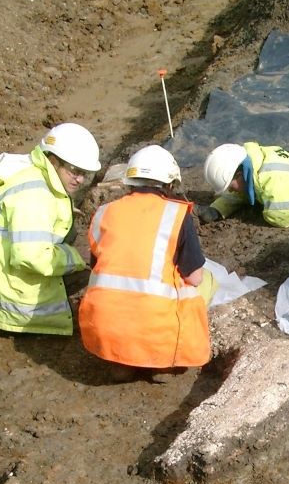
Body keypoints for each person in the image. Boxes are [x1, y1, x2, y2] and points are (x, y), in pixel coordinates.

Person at [0, 122, 101, 335]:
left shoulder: (31, 172)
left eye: (85, 173)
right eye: (74, 170)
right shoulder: (34, 198)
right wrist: (75, 258)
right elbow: (31, 257)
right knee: (93, 286)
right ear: (53, 160)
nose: (80, 179)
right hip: (7, 301)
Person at [77, 145, 215, 382]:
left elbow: (99, 267)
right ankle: (162, 364)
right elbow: (194, 277)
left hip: (106, 328)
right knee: (205, 283)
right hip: (155, 332)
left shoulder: (103, 212)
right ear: (169, 184)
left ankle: (121, 360)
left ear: (129, 182)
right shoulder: (176, 214)